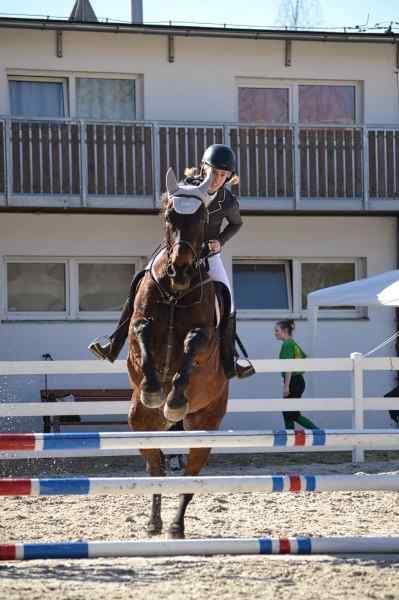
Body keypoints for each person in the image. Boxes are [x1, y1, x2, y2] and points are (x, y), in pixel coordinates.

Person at [89, 143, 255, 379]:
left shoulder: (226, 200)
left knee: (228, 300)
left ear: (229, 176)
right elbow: (169, 212)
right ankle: (114, 343)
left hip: (208, 254)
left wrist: (220, 241)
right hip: (177, 250)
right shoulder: (186, 189)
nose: (217, 179)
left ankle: (231, 360)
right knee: (140, 281)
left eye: (222, 175)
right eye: (213, 172)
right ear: (203, 167)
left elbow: (237, 224)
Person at [274, 319, 318, 430]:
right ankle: (290, 436)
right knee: (287, 411)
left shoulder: (287, 345)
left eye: (277, 330)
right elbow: (303, 357)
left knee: (292, 413)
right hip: (298, 380)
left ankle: (316, 431)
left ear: (284, 330)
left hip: (293, 381)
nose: (275, 333)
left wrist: (286, 386)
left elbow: (289, 367)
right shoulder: (293, 344)